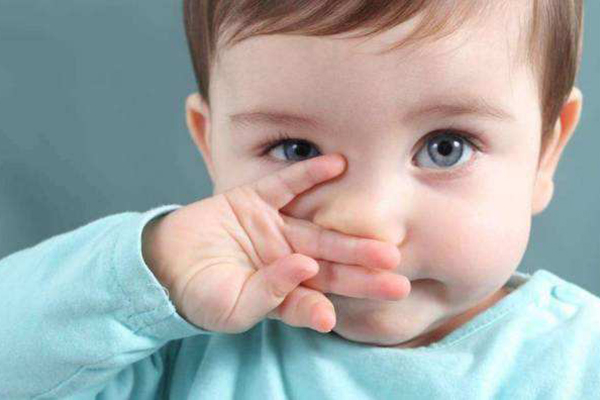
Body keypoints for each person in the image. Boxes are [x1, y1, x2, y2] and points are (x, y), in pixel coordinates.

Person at [1, 0, 598, 398]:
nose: (366, 221)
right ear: (212, 147)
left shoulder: (582, 363)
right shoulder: (164, 349)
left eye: (446, 147)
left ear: (545, 152)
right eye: (295, 150)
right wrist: (151, 271)